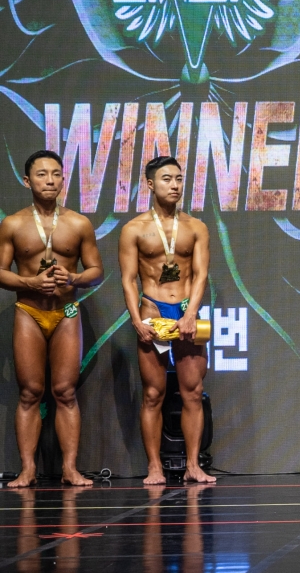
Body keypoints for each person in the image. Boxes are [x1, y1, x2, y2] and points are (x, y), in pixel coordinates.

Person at [0, 150, 103, 487]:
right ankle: (28, 469)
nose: (50, 180)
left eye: (56, 174)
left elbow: (96, 271)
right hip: (29, 312)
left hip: (66, 311)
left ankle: (70, 469)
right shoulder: (13, 224)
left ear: (63, 180)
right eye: (42, 174)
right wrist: (30, 282)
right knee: (30, 392)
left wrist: (73, 278)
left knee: (65, 392)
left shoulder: (79, 223)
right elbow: (0, 272)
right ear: (27, 181)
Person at [119, 156, 214, 485]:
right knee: (153, 394)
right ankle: (154, 467)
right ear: (150, 184)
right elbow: (128, 279)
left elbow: (201, 275)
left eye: (178, 179)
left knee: (193, 392)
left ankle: (193, 465)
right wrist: (136, 320)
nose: (174, 185)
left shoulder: (196, 227)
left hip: (187, 312)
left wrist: (190, 314)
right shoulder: (133, 229)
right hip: (153, 312)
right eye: (166, 179)